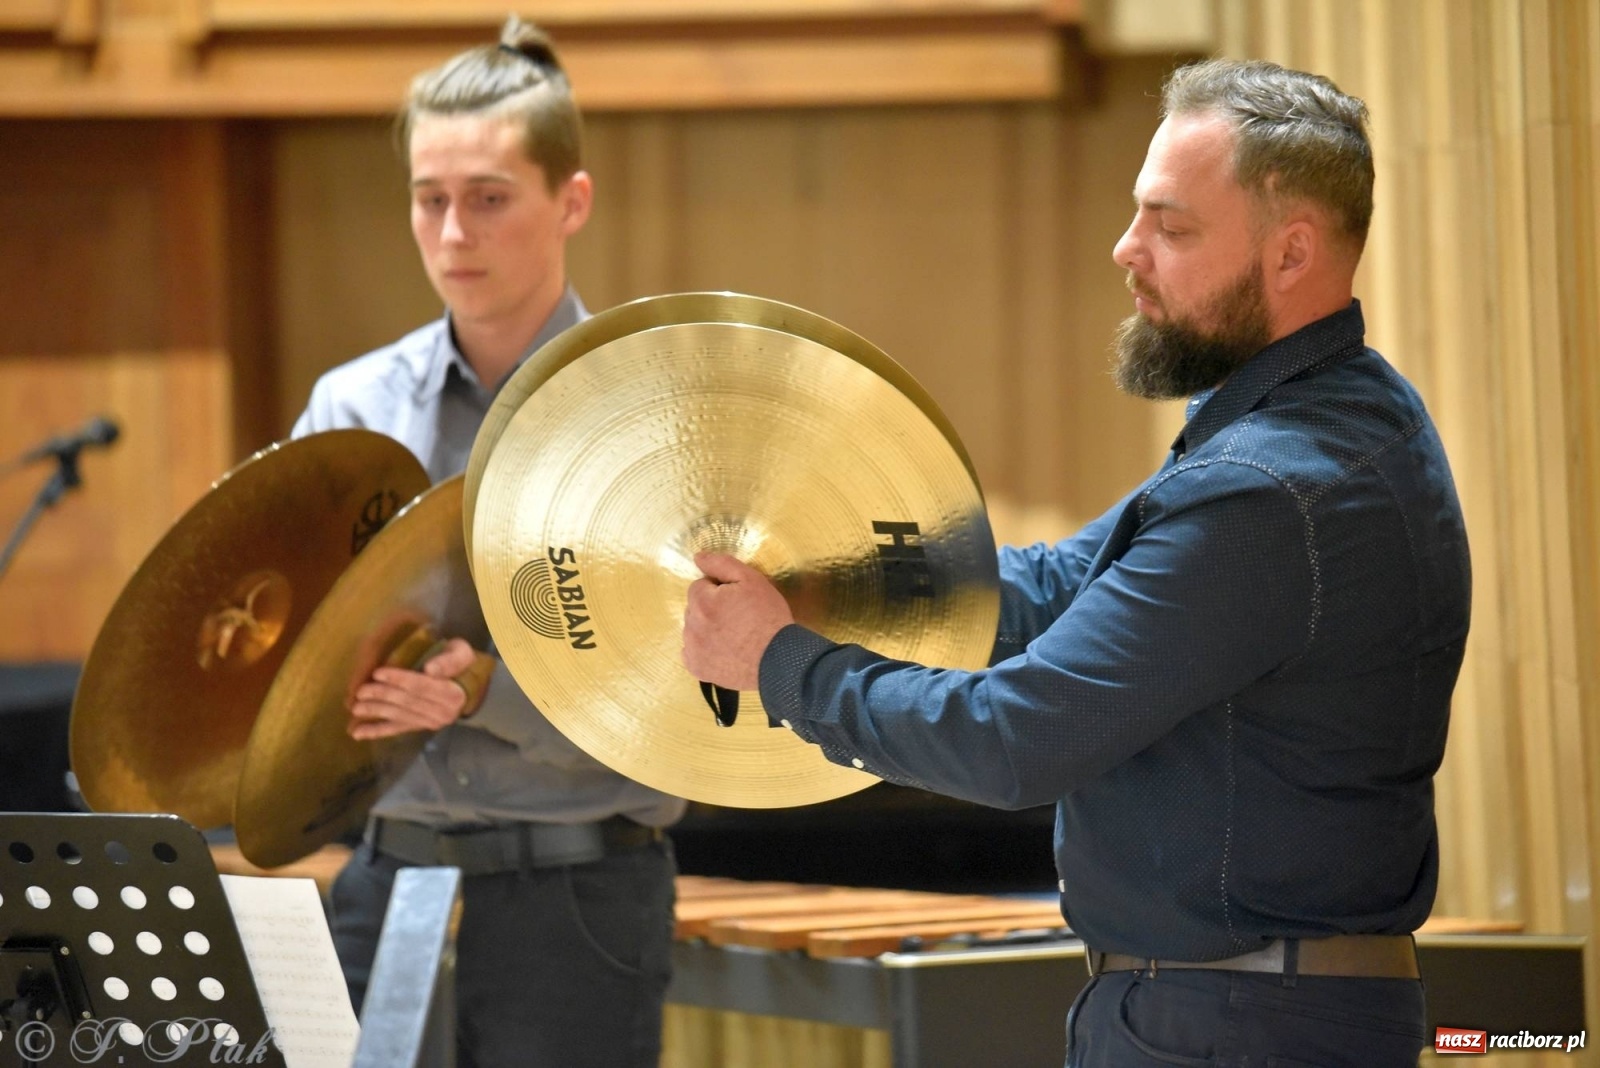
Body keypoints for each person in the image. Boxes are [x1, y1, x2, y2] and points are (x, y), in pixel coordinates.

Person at [682, 57, 1469, 1068]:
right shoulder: (1340, 413)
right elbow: (1058, 583)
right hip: (1235, 1009)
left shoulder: (1269, 494)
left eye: (1171, 227)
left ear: (1291, 254)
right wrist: (830, 584)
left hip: (1234, 1025)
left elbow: (1015, 740)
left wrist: (780, 665)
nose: (1124, 248)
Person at [292, 18, 685, 1068]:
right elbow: (296, 650)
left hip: (577, 893)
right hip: (387, 880)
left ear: (572, 201)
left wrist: (484, 691)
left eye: (489, 198)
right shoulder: (353, 406)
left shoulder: (645, 415)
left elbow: (673, 697)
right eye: (430, 199)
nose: (454, 232)